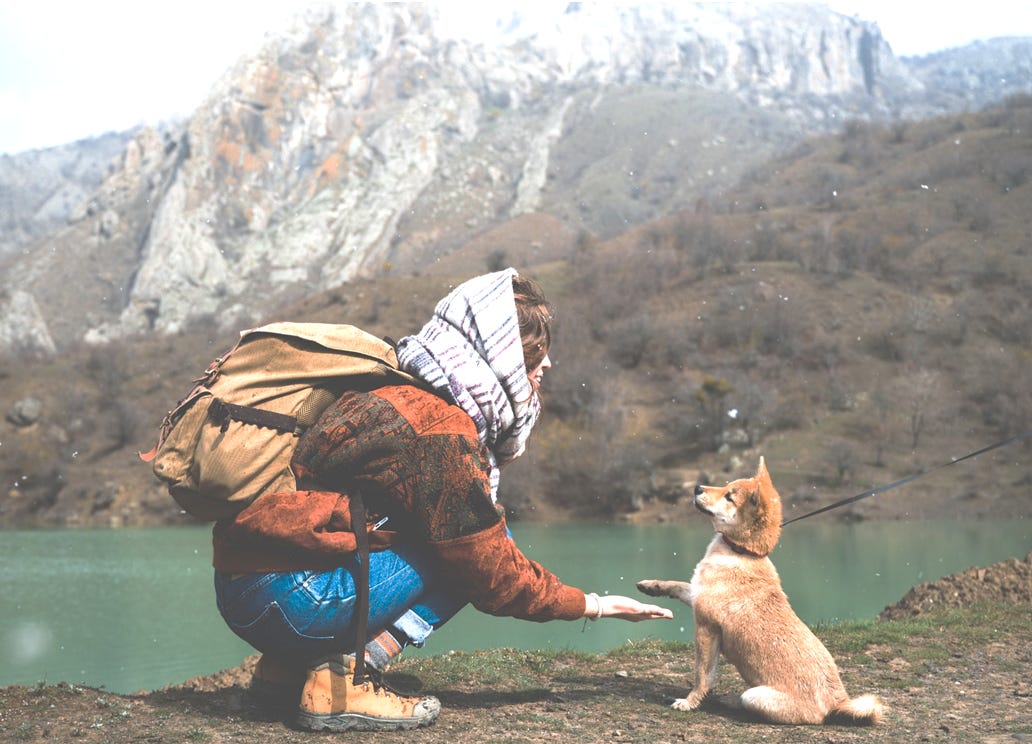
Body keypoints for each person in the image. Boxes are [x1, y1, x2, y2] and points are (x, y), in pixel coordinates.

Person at [210, 268, 673, 732]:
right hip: (295, 604)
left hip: (243, 594)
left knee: (442, 534)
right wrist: (591, 604)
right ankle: (346, 678)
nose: (546, 363)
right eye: (533, 349)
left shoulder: (391, 387)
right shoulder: (441, 431)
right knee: (472, 550)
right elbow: (494, 575)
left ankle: (285, 671)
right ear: (499, 354)